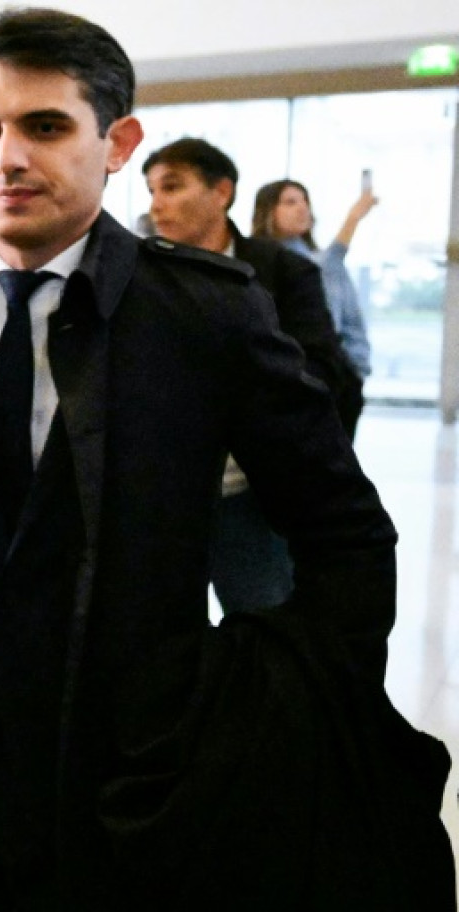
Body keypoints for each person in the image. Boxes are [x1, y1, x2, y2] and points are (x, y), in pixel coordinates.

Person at [0, 8, 452, 910]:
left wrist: (264, 692)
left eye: (46, 127)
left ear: (116, 142)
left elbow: (344, 528)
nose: (8, 158)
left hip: (127, 772)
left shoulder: (202, 314)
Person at [142, 136, 357, 614]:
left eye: (172, 187)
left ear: (222, 192)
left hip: (250, 490)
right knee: (161, 632)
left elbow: (322, 368)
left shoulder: (284, 271)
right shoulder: (137, 275)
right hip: (162, 495)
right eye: (152, 190)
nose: (157, 204)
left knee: (264, 619)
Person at [253, 178, 376, 438]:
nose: (302, 208)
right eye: (290, 202)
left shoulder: (323, 263)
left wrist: (355, 370)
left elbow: (353, 322)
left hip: (335, 379)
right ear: (267, 211)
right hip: (279, 385)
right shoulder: (255, 264)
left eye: (305, 201)